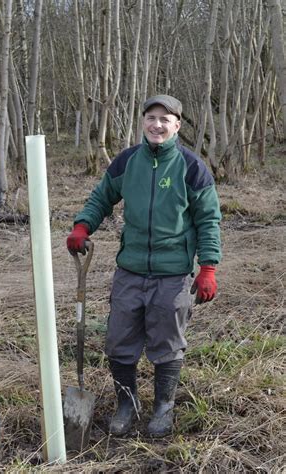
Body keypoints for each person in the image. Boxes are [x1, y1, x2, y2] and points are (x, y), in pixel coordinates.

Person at [67, 94, 221, 438]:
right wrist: (82, 226)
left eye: (165, 119)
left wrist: (208, 266)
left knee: (167, 342)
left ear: (177, 126)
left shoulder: (191, 167)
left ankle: (163, 406)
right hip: (131, 270)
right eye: (151, 118)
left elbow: (209, 220)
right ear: (143, 122)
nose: (157, 125)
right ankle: (127, 403)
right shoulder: (127, 162)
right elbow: (101, 197)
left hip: (173, 271)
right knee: (119, 339)